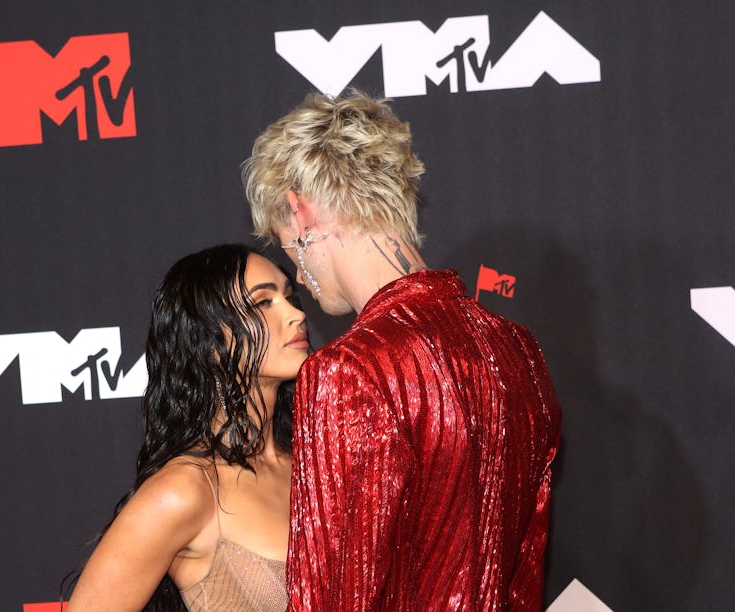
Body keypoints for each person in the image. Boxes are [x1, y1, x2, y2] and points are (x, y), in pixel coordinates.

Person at [243, 91, 562, 611]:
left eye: (285, 244)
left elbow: (330, 597)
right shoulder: (517, 349)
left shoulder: (348, 372)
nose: (299, 275)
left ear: (299, 212)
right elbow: (525, 570)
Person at [65, 244, 308, 611]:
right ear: (210, 341)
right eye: (263, 303)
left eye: (290, 297)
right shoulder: (183, 490)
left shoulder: (315, 464)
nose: (295, 314)